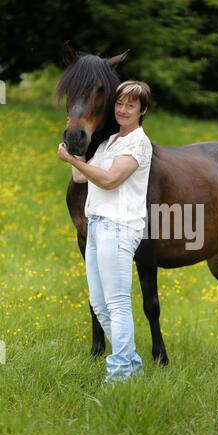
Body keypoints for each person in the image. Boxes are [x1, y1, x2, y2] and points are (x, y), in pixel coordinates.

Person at [57, 80, 152, 384]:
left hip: (119, 227)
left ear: (142, 111)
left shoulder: (138, 142)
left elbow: (110, 180)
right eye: (120, 103)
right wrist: (76, 149)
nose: (123, 109)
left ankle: (120, 374)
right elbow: (79, 176)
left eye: (131, 105)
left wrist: (72, 160)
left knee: (117, 304)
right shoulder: (110, 142)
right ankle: (132, 366)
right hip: (97, 226)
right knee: (100, 305)